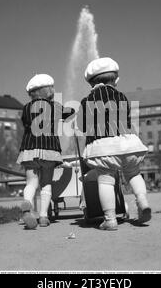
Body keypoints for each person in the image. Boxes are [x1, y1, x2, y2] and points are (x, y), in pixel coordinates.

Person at [75, 57, 152, 231]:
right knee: (133, 174)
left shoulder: (86, 101)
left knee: (106, 180)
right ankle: (142, 201)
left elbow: (81, 126)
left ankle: (110, 219)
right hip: (128, 144)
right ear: (116, 80)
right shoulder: (122, 96)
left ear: (90, 83)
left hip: (104, 148)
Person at [17, 74, 74, 229]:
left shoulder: (26, 108)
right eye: (52, 87)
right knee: (46, 183)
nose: (54, 90)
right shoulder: (55, 106)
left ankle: (27, 204)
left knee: (31, 182)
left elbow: (24, 122)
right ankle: (43, 216)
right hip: (49, 149)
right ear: (45, 90)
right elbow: (69, 113)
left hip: (29, 150)